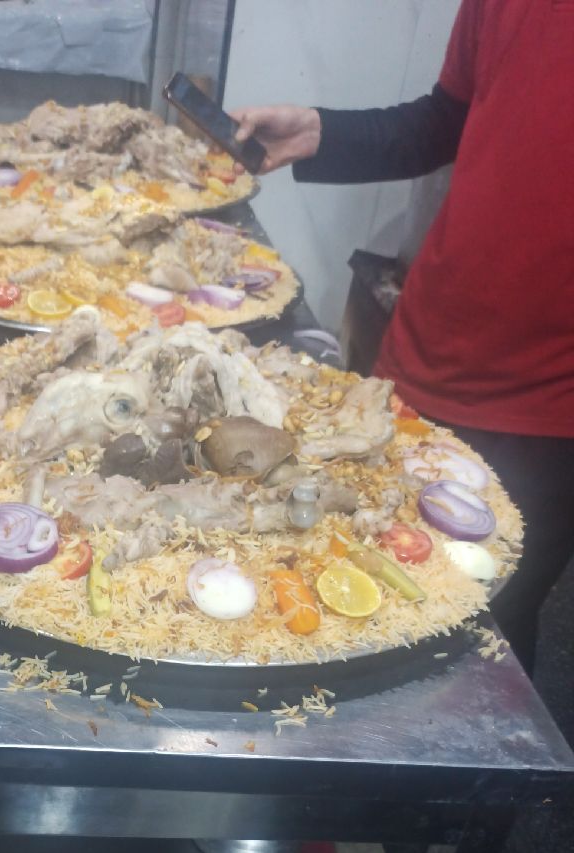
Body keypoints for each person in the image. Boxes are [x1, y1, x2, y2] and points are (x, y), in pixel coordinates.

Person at [229, 0, 574, 672]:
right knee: (338, 588)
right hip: (428, 343)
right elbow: (451, 117)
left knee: (481, 640)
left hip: (547, 405)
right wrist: (320, 131)